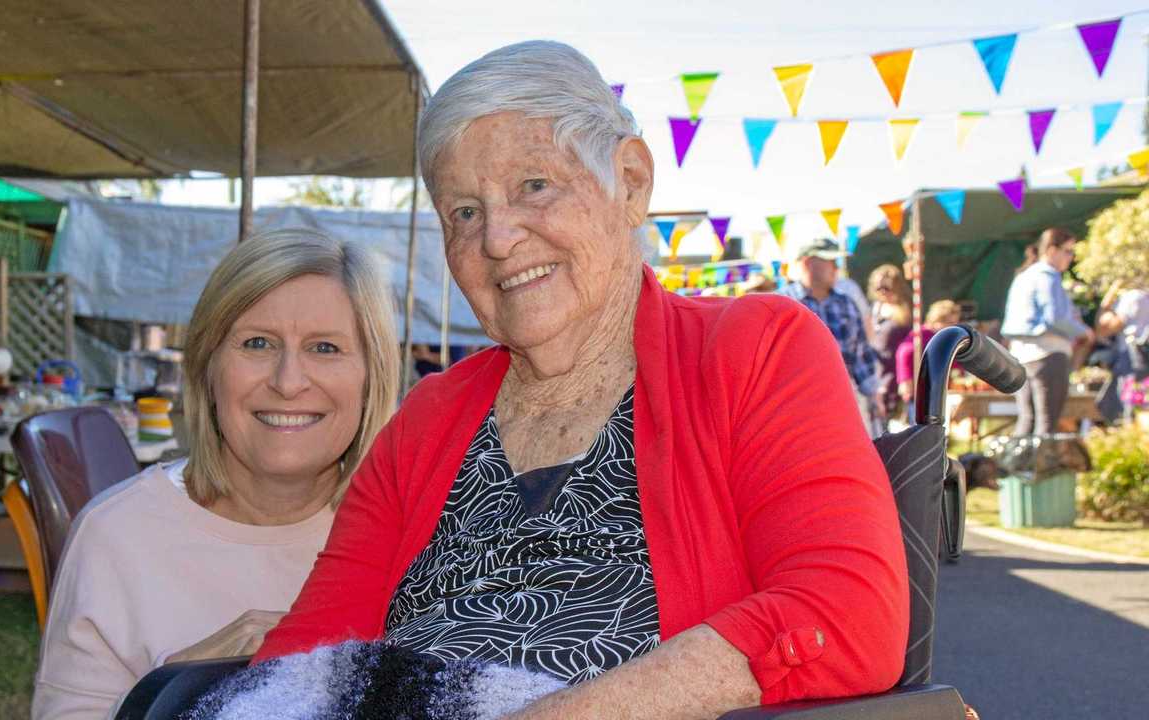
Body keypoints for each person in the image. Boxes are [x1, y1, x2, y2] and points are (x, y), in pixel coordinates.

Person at [252, 41, 907, 718]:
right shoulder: (429, 417)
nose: (498, 238)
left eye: (534, 186)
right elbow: (303, 657)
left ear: (630, 181)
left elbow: (846, 614)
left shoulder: (752, 350)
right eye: (464, 213)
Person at [32, 229, 400, 719]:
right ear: (208, 367)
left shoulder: (415, 535)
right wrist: (177, 685)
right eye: (257, 343)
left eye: (325, 348)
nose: (288, 382)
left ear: (372, 375)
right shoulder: (115, 536)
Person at [781, 238, 884, 431]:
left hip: (842, 401)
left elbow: (861, 355)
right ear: (807, 262)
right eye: (830, 261)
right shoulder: (782, 304)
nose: (836, 268)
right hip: (796, 407)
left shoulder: (846, 304)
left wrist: (874, 394)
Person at [1001, 227, 1094, 436]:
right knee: (1046, 424)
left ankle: (1016, 468)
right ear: (1051, 250)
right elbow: (1056, 318)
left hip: (1021, 357)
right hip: (1047, 355)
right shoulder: (1048, 275)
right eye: (1068, 251)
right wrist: (1084, 332)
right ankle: (1040, 468)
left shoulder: (1023, 276)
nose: (1071, 258)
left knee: (1027, 420)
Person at [1093, 279, 1149, 419]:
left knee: (1131, 404)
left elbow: (1104, 329)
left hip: (1132, 357)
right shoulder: (1144, 297)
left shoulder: (1133, 296)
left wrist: (1106, 303)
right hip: (1140, 357)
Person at [897, 300, 961, 418]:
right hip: (919, 391)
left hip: (936, 390)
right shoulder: (922, 334)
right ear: (938, 320)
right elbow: (904, 352)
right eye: (950, 322)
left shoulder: (944, 337)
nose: (953, 326)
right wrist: (905, 380)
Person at [868, 264, 913, 417]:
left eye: (886, 288)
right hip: (874, 371)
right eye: (878, 288)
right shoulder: (874, 310)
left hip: (894, 375)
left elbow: (908, 349)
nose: (882, 292)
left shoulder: (904, 313)